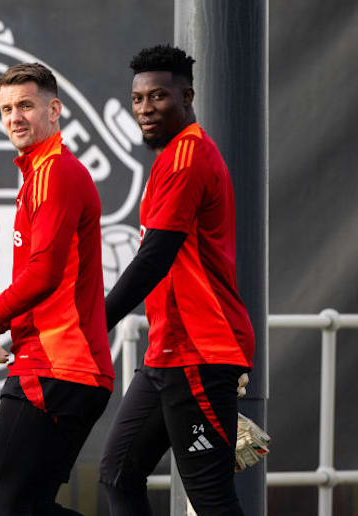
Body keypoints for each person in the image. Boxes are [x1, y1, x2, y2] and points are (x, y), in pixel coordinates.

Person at [98, 44, 255, 516]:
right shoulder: (171, 158)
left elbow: (154, 259)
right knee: (118, 475)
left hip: (202, 351)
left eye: (158, 96)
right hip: (167, 352)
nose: (145, 108)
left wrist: (94, 322)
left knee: (211, 499)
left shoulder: (187, 156)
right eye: (137, 99)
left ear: (187, 96)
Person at [0, 63, 114, 515]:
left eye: (25, 105)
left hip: (57, 368)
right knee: (23, 506)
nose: (14, 117)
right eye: (6, 108)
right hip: (60, 367)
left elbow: (44, 275)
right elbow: (49, 282)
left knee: (5, 506)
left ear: (54, 110)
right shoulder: (39, 174)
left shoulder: (54, 172)